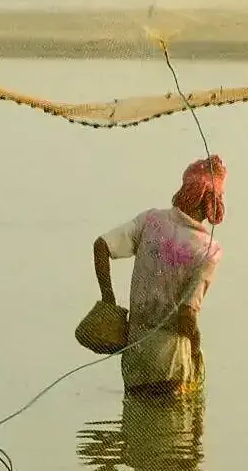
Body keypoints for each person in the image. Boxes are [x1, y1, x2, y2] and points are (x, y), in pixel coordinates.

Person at [90, 156, 226, 395]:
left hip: (135, 361)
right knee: (175, 426)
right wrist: (194, 350)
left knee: (135, 423)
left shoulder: (151, 220)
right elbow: (186, 316)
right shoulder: (209, 250)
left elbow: (101, 246)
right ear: (209, 201)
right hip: (171, 365)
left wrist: (108, 302)